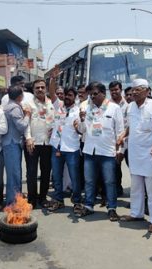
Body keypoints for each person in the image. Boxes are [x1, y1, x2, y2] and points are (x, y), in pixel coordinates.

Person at [119, 79, 152, 233]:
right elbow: (130, 127)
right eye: (133, 89)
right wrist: (122, 136)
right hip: (135, 152)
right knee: (136, 186)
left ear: (147, 91)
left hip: (151, 153)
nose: (134, 92)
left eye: (138, 89)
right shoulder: (130, 107)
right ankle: (136, 213)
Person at [75, 82, 124, 221]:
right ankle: (89, 206)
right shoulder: (87, 108)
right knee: (89, 181)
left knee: (109, 181)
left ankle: (112, 208)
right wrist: (82, 119)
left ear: (104, 93)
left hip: (108, 152)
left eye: (95, 94)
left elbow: (120, 131)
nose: (92, 97)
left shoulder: (114, 108)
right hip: (90, 151)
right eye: (90, 95)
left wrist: (120, 150)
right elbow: (82, 130)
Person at [48, 67, 82, 213]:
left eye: (70, 95)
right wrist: (53, 79)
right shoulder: (58, 106)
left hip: (72, 148)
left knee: (75, 177)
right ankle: (58, 200)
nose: (67, 97)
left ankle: (77, 202)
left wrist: (79, 126)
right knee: (56, 176)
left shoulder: (79, 110)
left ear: (74, 97)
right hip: (57, 146)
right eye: (65, 95)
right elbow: (51, 92)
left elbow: (82, 129)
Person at [23, 79, 54, 208]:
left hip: (48, 143)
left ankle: (43, 198)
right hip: (33, 143)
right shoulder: (28, 103)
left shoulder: (51, 102)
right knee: (31, 172)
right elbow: (26, 123)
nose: (40, 89)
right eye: (37, 88)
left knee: (46, 172)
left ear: (46, 88)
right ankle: (31, 200)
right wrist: (28, 138)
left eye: (42, 87)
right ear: (33, 90)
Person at [2, 86, 30, 205]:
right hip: (12, 143)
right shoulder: (15, 108)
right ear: (20, 96)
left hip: (10, 143)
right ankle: (13, 202)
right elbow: (21, 126)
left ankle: (15, 199)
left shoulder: (8, 106)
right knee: (14, 174)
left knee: (14, 173)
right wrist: (28, 115)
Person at [109, 81, 127, 197]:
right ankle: (115, 189)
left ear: (121, 90)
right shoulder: (107, 105)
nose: (114, 92)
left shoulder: (128, 105)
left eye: (116, 89)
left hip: (128, 140)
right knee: (114, 166)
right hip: (112, 141)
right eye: (112, 90)